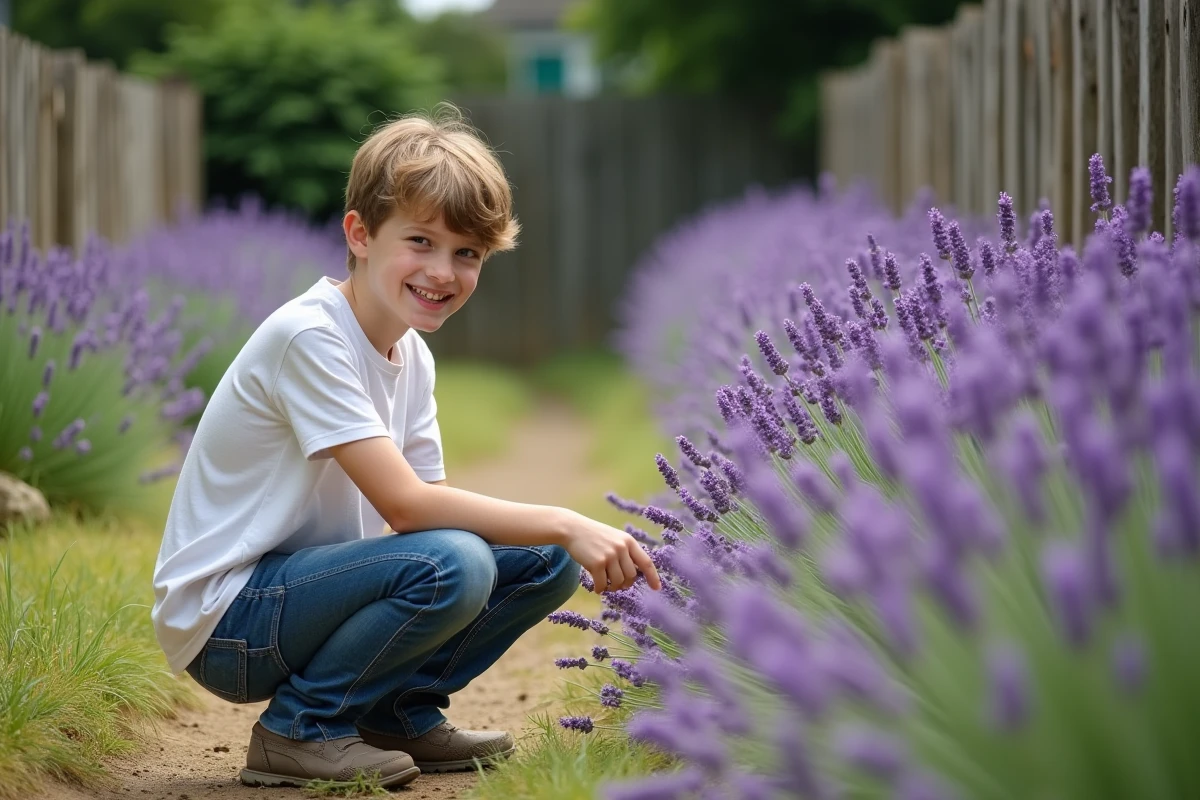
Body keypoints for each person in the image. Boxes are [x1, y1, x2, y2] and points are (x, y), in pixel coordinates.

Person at [150, 103, 661, 790]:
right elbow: (410, 508)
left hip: (298, 598)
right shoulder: (311, 337)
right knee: (456, 562)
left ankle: (395, 713)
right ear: (360, 234)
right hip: (228, 622)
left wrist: (557, 540)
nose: (443, 272)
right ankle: (299, 729)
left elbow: (425, 512)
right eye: (420, 242)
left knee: (542, 561)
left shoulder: (409, 354)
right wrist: (569, 519)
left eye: (467, 254)